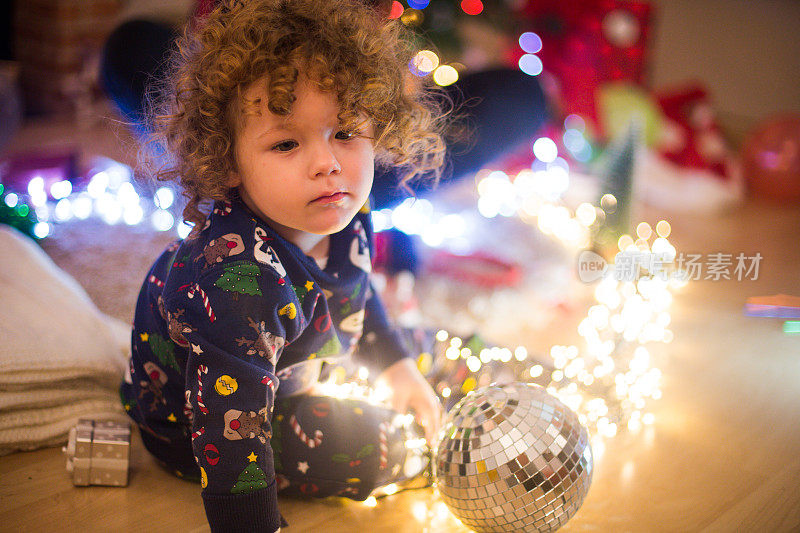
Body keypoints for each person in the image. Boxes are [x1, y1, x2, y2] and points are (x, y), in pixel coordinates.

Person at [119, 1, 447, 531]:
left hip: (281, 378)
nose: (328, 163)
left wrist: (396, 365)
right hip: (203, 431)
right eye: (287, 143)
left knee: (418, 358)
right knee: (381, 447)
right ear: (227, 161)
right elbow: (232, 432)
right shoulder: (237, 282)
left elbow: (357, 295)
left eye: (345, 133)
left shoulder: (347, 219)